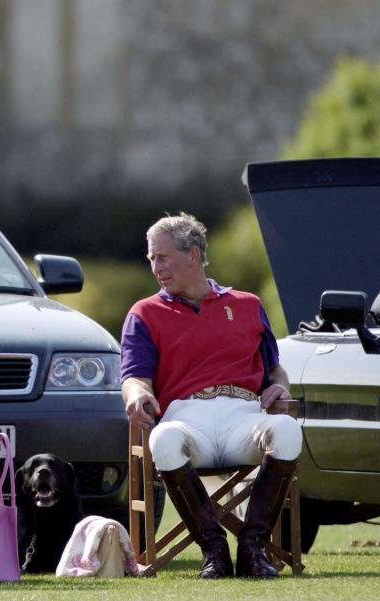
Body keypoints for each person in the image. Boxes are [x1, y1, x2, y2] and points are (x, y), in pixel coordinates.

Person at [120, 212, 302, 579]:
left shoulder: (248, 304)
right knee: (164, 439)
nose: (156, 267)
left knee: (288, 430)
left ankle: (252, 547)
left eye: (163, 256)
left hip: (243, 416)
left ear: (193, 255)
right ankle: (214, 550)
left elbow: (274, 370)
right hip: (187, 420)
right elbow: (134, 378)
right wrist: (136, 396)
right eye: (151, 258)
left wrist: (280, 385)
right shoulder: (144, 313)